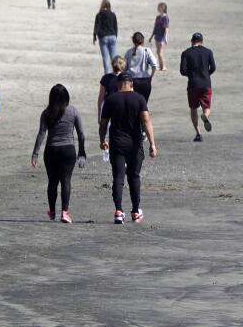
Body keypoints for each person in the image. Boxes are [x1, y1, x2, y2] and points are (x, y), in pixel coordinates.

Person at [99, 71, 158, 224]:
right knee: (134, 176)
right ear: (132, 83)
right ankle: (135, 211)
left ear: (118, 84)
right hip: (135, 144)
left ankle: (118, 211)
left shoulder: (111, 99)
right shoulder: (139, 98)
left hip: (117, 144)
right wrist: (152, 143)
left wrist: (102, 140)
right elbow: (146, 120)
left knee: (118, 177)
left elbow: (103, 123)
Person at [32, 84, 87, 223]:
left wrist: (35, 154)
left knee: (52, 182)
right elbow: (81, 134)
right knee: (66, 181)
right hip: (68, 151)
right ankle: (65, 213)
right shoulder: (73, 111)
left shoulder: (46, 113)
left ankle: (52, 211)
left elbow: (41, 134)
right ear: (66, 97)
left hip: (51, 150)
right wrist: (82, 152)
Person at [180, 32, 216, 142]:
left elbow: (183, 71)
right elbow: (213, 67)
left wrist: (192, 75)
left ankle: (198, 133)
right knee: (207, 106)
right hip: (206, 83)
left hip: (193, 84)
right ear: (202, 41)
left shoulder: (186, 53)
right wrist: (206, 74)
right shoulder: (208, 52)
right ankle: (205, 115)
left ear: (192, 41)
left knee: (193, 108)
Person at [124, 32, 158, 102]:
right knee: (143, 104)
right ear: (142, 40)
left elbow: (124, 68)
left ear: (133, 41)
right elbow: (154, 64)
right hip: (145, 81)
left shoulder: (129, 52)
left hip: (132, 81)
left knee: (133, 103)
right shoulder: (146, 51)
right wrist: (151, 75)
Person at [93, 0, 120, 73]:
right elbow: (115, 26)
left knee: (105, 57)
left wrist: (94, 37)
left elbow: (97, 27)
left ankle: (107, 73)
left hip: (103, 37)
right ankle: (116, 71)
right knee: (114, 56)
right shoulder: (113, 14)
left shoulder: (99, 15)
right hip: (112, 36)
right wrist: (115, 36)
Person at [97, 55, 126, 121]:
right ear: (123, 66)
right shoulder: (126, 78)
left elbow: (101, 97)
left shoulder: (105, 78)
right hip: (122, 107)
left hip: (108, 106)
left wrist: (99, 114)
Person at [152, 3, 170, 71]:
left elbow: (167, 28)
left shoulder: (165, 17)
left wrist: (166, 37)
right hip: (157, 36)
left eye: (160, 7)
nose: (158, 8)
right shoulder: (158, 17)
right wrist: (152, 36)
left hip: (162, 37)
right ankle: (160, 66)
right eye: (158, 7)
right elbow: (155, 27)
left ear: (163, 8)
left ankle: (164, 66)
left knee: (160, 52)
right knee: (158, 52)